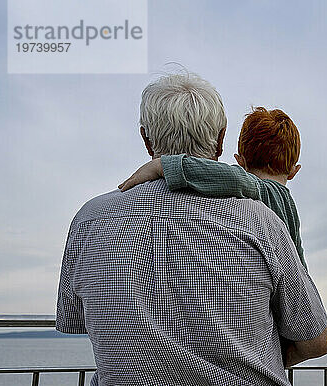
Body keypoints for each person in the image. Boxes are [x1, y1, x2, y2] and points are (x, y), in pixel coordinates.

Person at [56, 72, 327, 386]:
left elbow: (77, 321)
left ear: (146, 138)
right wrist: (256, 357)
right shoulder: (263, 221)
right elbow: (317, 341)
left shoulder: (89, 221)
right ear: (221, 138)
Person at [119, 106, 308, 270]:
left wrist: (164, 166)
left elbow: (232, 178)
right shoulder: (288, 206)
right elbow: (299, 261)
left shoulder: (263, 190)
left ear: (240, 163)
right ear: (294, 171)